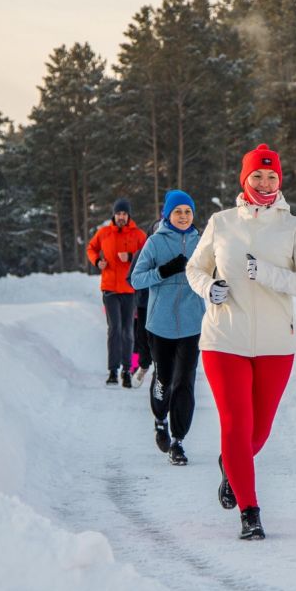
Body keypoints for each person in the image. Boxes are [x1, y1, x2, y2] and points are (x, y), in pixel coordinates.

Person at [187, 143, 296, 541]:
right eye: (257, 176)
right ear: (244, 179)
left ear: (279, 181)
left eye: (271, 176)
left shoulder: (293, 228)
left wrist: (265, 273)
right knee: (235, 424)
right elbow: (195, 267)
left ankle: (231, 466)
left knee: (258, 432)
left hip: (275, 344)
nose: (264, 182)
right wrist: (208, 286)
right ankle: (250, 512)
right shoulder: (221, 222)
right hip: (223, 338)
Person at [130, 190, 205, 465]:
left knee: (184, 381)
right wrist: (163, 272)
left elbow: (216, 273)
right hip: (159, 324)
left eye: (188, 211)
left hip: (192, 324)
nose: (183, 216)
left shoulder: (203, 242)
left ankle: (178, 441)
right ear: (167, 214)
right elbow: (136, 280)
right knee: (164, 379)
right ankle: (160, 418)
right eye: (178, 212)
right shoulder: (154, 243)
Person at [87, 197, 147, 387]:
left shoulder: (138, 235)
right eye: (118, 213)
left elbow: (147, 255)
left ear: (129, 215)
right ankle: (113, 370)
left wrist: (131, 257)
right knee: (114, 330)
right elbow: (91, 248)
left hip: (130, 290)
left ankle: (127, 371)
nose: (121, 217)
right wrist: (97, 261)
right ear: (114, 215)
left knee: (128, 331)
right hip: (110, 289)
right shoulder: (104, 233)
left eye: (124, 214)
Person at [127, 218, 160, 388]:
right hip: (142, 305)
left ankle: (158, 369)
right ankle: (138, 367)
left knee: (158, 341)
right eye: (155, 230)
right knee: (140, 340)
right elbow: (130, 279)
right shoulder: (141, 254)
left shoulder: (170, 253)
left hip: (161, 306)